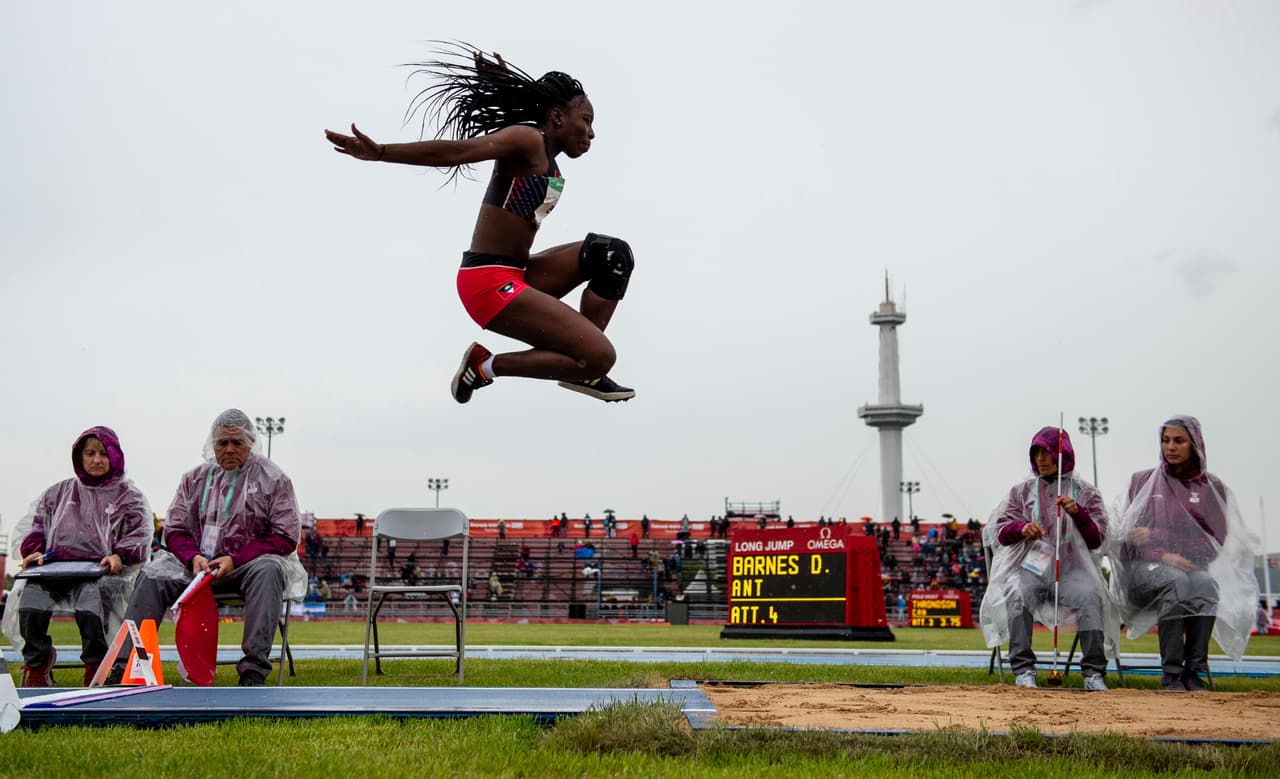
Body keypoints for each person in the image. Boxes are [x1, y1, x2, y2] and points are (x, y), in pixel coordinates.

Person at [326, 42, 635, 404]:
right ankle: (487, 366)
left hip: (516, 273)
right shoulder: (528, 139)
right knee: (601, 355)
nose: (592, 133)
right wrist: (380, 153)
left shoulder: (541, 152)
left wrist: (502, 82)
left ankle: (582, 366)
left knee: (611, 255)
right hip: (486, 284)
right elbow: (456, 153)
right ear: (557, 118)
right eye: (587, 121)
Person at [108, 410, 307, 687]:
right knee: (152, 574)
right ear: (212, 444)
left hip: (246, 567)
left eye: (237, 442)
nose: (229, 449)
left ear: (251, 443)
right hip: (197, 565)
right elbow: (175, 529)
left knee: (270, 569)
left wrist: (235, 559)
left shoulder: (274, 479)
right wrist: (193, 557)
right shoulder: (194, 479)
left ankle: (252, 671)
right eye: (222, 442)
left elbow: (284, 536)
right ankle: (126, 664)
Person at [1110, 416, 1260, 691]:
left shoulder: (1212, 489)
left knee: (1205, 585)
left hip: (1192, 571)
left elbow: (1212, 542)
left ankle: (1194, 670)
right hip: (1142, 577)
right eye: (1166, 440)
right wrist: (1162, 553)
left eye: (1179, 440)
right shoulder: (1143, 482)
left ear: (1195, 444)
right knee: (1175, 581)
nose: (1171, 447)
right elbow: (1128, 541)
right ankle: (1171, 673)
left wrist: (1155, 536)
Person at [2, 427, 153, 687]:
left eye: (104, 453)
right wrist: (34, 550)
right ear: (79, 456)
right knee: (30, 604)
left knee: (90, 607)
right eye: (90, 453)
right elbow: (36, 526)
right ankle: (37, 664)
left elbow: (140, 534)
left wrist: (119, 555)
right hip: (52, 570)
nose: (96, 459)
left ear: (115, 456)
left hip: (97, 573)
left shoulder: (131, 497)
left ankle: (96, 665)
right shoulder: (58, 493)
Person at [979, 427, 1113, 691]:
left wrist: (1080, 514)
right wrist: (1021, 528)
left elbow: (1098, 539)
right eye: (1036, 452)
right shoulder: (1021, 492)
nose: (1041, 458)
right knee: (1016, 590)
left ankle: (1094, 673)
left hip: (1073, 572)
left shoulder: (1087, 493)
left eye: (1047, 452)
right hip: (1031, 570)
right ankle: (1023, 669)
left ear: (1063, 454)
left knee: (1092, 595)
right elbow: (998, 533)